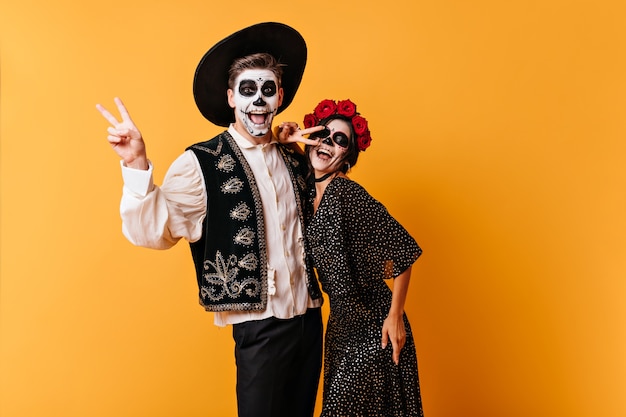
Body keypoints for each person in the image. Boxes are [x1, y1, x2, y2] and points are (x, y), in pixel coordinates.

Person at [96, 22, 324, 417]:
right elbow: (155, 230)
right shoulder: (201, 163)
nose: (258, 101)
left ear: (280, 97)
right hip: (260, 327)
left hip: (309, 319)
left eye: (267, 90)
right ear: (231, 97)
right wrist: (136, 163)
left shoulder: (293, 157)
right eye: (248, 91)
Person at [280, 98, 425, 416]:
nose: (327, 144)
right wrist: (287, 140)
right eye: (323, 135)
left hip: (372, 327)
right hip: (340, 326)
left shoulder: (347, 195)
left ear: (347, 155)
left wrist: (395, 315)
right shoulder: (308, 190)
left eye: (339, 140)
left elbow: (401, 253)